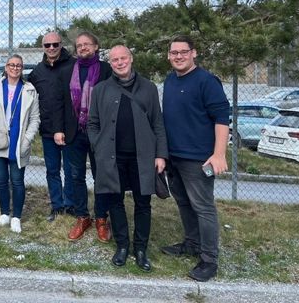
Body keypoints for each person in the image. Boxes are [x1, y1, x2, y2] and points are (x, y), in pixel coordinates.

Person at [87, 45, 168, 271]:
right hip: (112, 158)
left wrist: (161, 154)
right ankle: (122, 245)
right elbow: (92, 123)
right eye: (115, 60)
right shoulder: (101, 89)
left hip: (142, 158)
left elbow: (157, 123)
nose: (120, 62)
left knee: (143, 203)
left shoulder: (149, 88)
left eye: (123, 58)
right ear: (110, 63)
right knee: (115, 201)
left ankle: (141, 249)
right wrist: (98, 146)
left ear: (131, 59)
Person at [160, 35, 230, 282]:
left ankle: (209, 260)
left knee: (203, 207)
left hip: (198, 159)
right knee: (183, 202)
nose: (178, 56)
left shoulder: (207, 81)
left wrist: (219, 154)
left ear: (194, 53)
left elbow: (222, 119)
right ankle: (191, 244)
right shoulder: (170, 80)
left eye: (183, 52)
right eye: (174, 53)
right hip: (174, 156)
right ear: (169, 56)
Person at [53, 31, 112, 242]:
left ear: (96, 47)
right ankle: (82, 216)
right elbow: (60, 102)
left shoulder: (106, 70)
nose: (83, 48)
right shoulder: (67, 70)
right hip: (74, 132)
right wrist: (58, 129)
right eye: (79, 45)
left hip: (100, 133)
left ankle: (101, 218)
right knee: (76, 175)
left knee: (100, 176)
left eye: (87, 44)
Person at [0, 54, 40, 233]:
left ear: (22, 68)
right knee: (1, 181)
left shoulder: (29, 89)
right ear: (6, 67)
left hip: (18, 142)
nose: (15, 68)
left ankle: (16, 217)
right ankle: (5, 213)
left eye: (18, 65)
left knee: (17, 181)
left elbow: (35, 119)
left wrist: (27, 139)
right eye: (11, 65)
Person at [27, 32, 75, 221]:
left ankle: (71, 204)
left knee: (71, 170)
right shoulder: (38, 72)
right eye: (47, 45)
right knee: (52, 170)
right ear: (43, 47)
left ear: (61, 44)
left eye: (55, 44)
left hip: (70, 129)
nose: (52, 48)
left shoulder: (73, 66)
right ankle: (57, 206)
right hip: (48, 130)